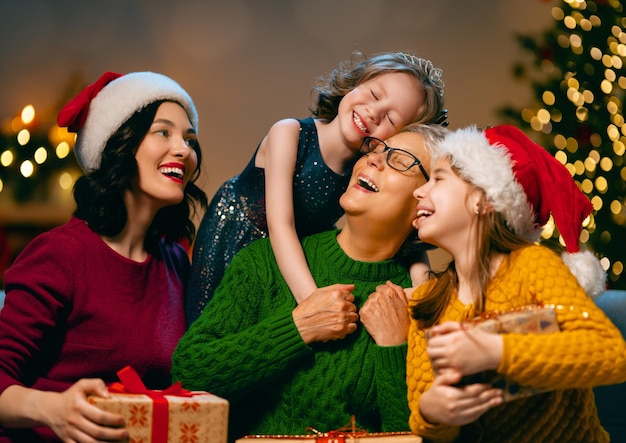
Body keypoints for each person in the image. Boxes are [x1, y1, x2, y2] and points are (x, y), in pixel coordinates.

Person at [172, 123, 449, 441]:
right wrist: (297, 328)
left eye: (400, 160)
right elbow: (188, 373)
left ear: (424, 204)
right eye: (376, 148)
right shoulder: (265, 262)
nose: (374, 159)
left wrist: (392, 346)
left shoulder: (426, 303)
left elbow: (414, 435)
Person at [0, 71, 207, 442]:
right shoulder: (62, 254)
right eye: (164, 132)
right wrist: (52, 409)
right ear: (119, 145)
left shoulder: (174, 261)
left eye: (189, 138)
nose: (184, 149)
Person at [185, 51, 446, 325]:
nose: (373, 112)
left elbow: (409, 232)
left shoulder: (365, 166)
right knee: (210, 316)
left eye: (391, 119)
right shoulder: (289, 133)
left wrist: (422, 286)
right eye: (374, 94)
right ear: (355, 83)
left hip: (289, 251)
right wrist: (314, 302)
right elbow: (281, 224)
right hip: (238, 229)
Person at [406, 124, 626, 442]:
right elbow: (426, 418)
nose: (419, 191)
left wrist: (494, 351)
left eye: (438, 178)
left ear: (484, 199)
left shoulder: (532, 267)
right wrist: (432, 410)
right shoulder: (428, 301)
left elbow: (609, 352)